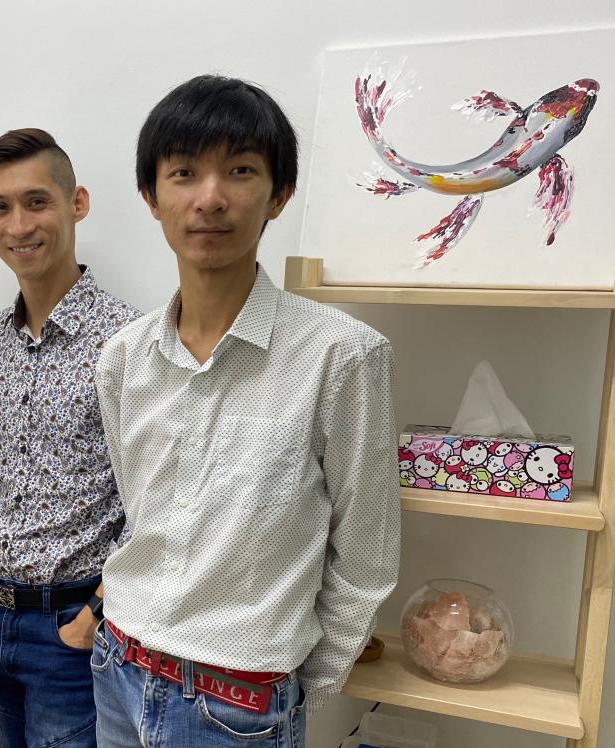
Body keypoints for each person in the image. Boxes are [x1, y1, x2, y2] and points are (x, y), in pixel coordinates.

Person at [92, 75, 401, 746]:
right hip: (117, 662)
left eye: (239, 170)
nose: (210, 198)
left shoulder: (342, 355)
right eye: (183, 173)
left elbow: (367, 555)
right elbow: (137, 508)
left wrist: (293, 685)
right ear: (151, 196)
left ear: (278, 193)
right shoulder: (122, 358)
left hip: (238, 703)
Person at [0, 128, 139, 748]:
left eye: (37, 202)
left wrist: (95, 616)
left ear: (76, 203)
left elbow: (158, 498)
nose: (18, 224)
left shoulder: (130, 343)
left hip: (73, 631)